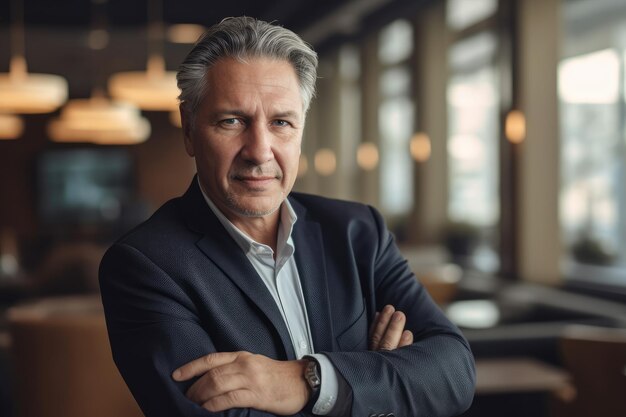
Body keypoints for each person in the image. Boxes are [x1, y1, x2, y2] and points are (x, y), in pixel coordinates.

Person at [99, 16, 475, 417]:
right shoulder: (145, 266)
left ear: (301, 130)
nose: (259, 150)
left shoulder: (358, 231)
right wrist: (373, 383)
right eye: (233, 121)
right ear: (189, 130)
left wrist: (307, 380)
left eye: (280, 122)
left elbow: (454, 372)